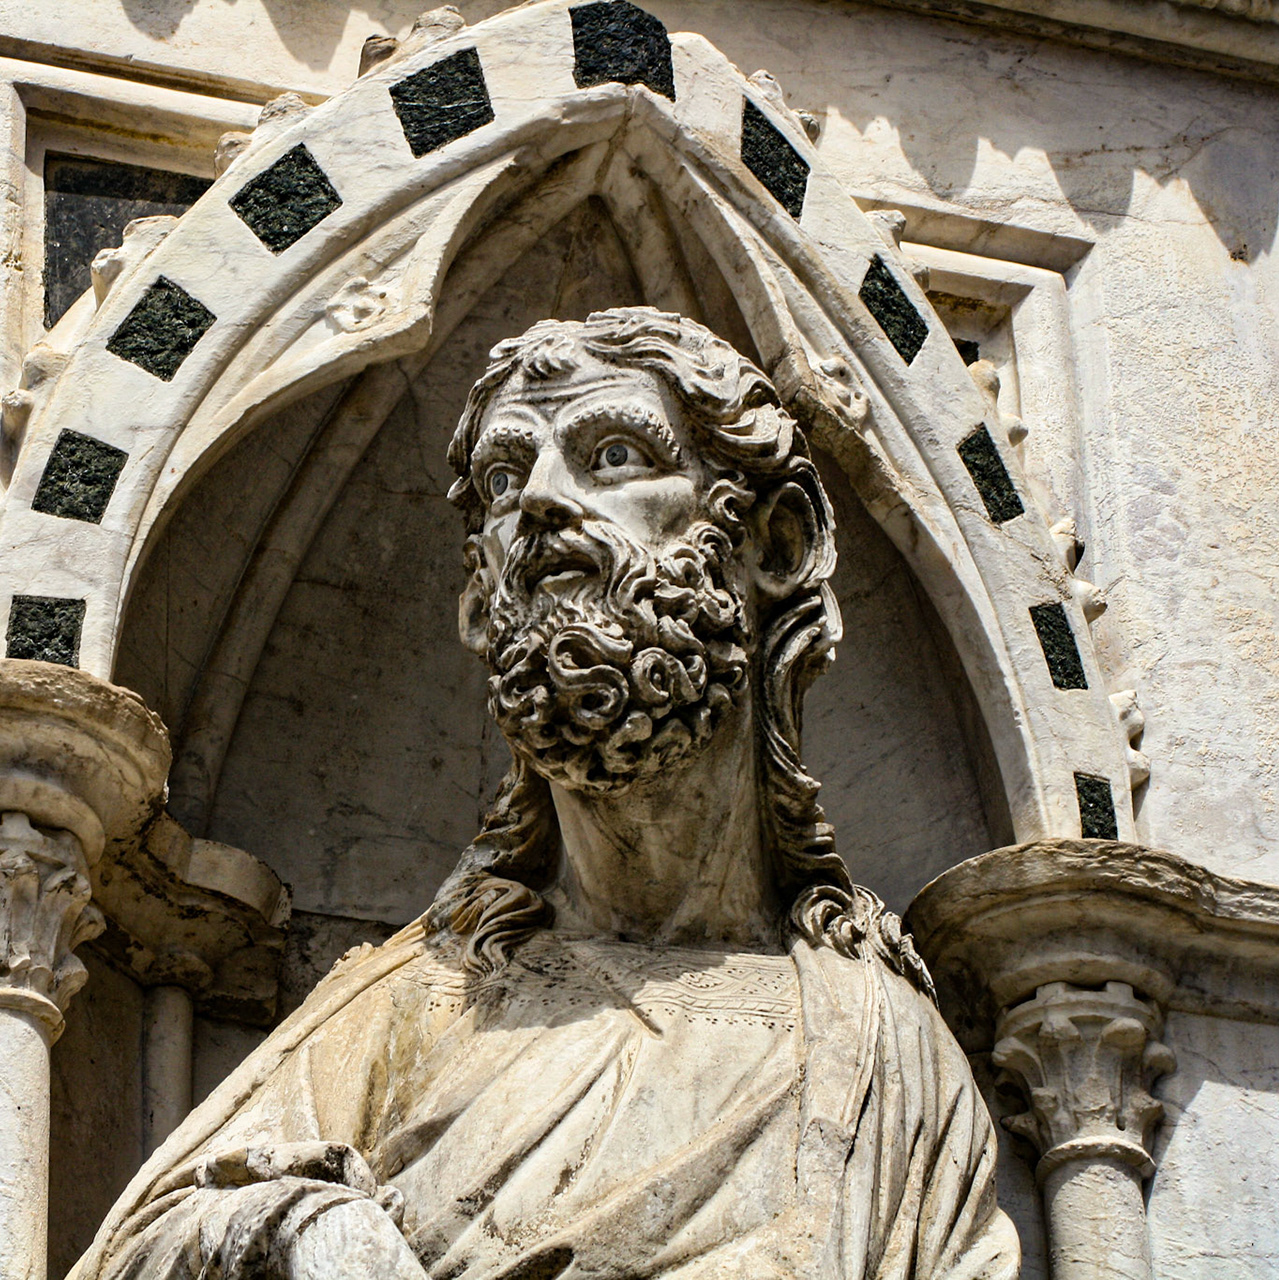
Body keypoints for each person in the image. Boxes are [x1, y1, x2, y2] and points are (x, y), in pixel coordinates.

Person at [71, 308, 1020, 1280]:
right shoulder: (412, 1001)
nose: (538, 505)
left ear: (772, 543)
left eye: (613, 453)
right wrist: (293, 1226)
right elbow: (129, 1254)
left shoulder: (885, 1059)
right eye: (502, 478)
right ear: (483, 593)